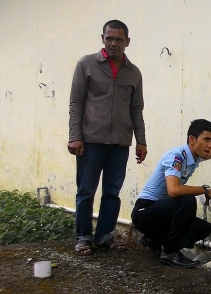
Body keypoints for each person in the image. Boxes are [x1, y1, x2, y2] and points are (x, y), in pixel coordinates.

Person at [68, 20, 148, 256]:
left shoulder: (134, 73)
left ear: (127, 42)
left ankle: (104, 235)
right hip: (90, 140)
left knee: (112, 191)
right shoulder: (87, 64)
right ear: (102, 38)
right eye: (109, 38)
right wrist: (75, 136)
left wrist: (141, 140)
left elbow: (136, 109)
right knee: (86, 190)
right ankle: (83, 236)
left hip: (120, 143)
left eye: (119, 39)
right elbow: (76, 102)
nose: (113, 43)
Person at [131, 119, 211, 268]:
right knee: (187, 200)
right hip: (144, 212)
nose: (210, 145)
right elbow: (174, 190)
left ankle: (153, 239)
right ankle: (169, 253)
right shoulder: (177, 156)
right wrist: (205, 190)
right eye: (206, 140)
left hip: (161, 213)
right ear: (192, 139)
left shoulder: (194, 156)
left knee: (204, 228)